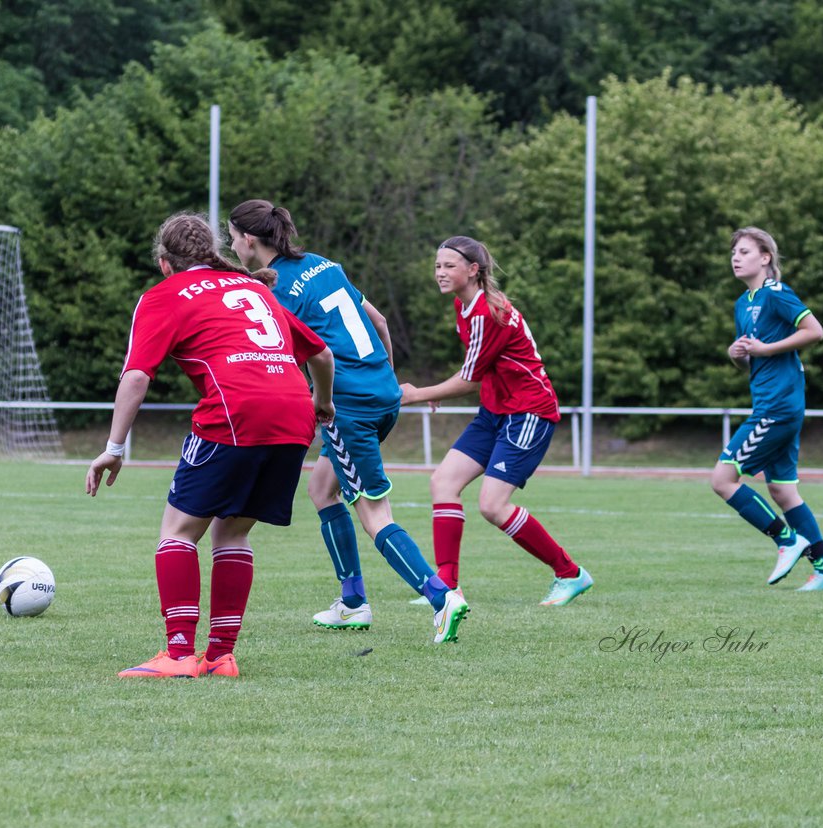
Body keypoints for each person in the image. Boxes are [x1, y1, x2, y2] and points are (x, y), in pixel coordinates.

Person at [86, 212, 337, 679]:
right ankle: (221, 656)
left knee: (178, 532)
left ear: (166, 263)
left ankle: (179, 654)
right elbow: (320, 354)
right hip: (293, 414)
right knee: (233, 533)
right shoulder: (255, 289)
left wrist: (114, 448)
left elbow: (137, 376)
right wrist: (322, 403)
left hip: (237, 412)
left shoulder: (164, 295)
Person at [227, 199, 469, 644]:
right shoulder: (323, 265)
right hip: (383, 394)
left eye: (232, 236)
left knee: (374, 513)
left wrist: (324, 405)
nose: (231, 245)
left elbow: (311, 358)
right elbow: (378, 322)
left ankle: (441, 597)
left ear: (248, 239)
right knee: (322, 489)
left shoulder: (276, 293)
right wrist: (386, 382)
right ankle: (352, 603)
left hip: (349, 408)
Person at [399, 236, 593, 606]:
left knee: (492, 505)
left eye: (449, 266)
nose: (440, 272)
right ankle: (447, 585)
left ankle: (570, 573)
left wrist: (418, 393)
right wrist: (440, 390)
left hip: (528, 413)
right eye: (437, 265)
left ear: (474, 270)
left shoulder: (489, 312)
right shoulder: (464, 305)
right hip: (496, 412)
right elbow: (479, 369)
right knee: (443, 483)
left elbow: (469, 379)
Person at [710, 226, 823, 590]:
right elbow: (750, 360)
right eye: (734, 252)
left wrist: (766, 349)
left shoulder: (775, 294)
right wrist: (736, 354)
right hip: (773, 403)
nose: (735, 258)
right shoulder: (744, 303)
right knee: (784, 492)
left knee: (722, 480)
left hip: (777, 407)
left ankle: (787, 540)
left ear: (765, 258)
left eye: (744, 251)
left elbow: (815, 331)